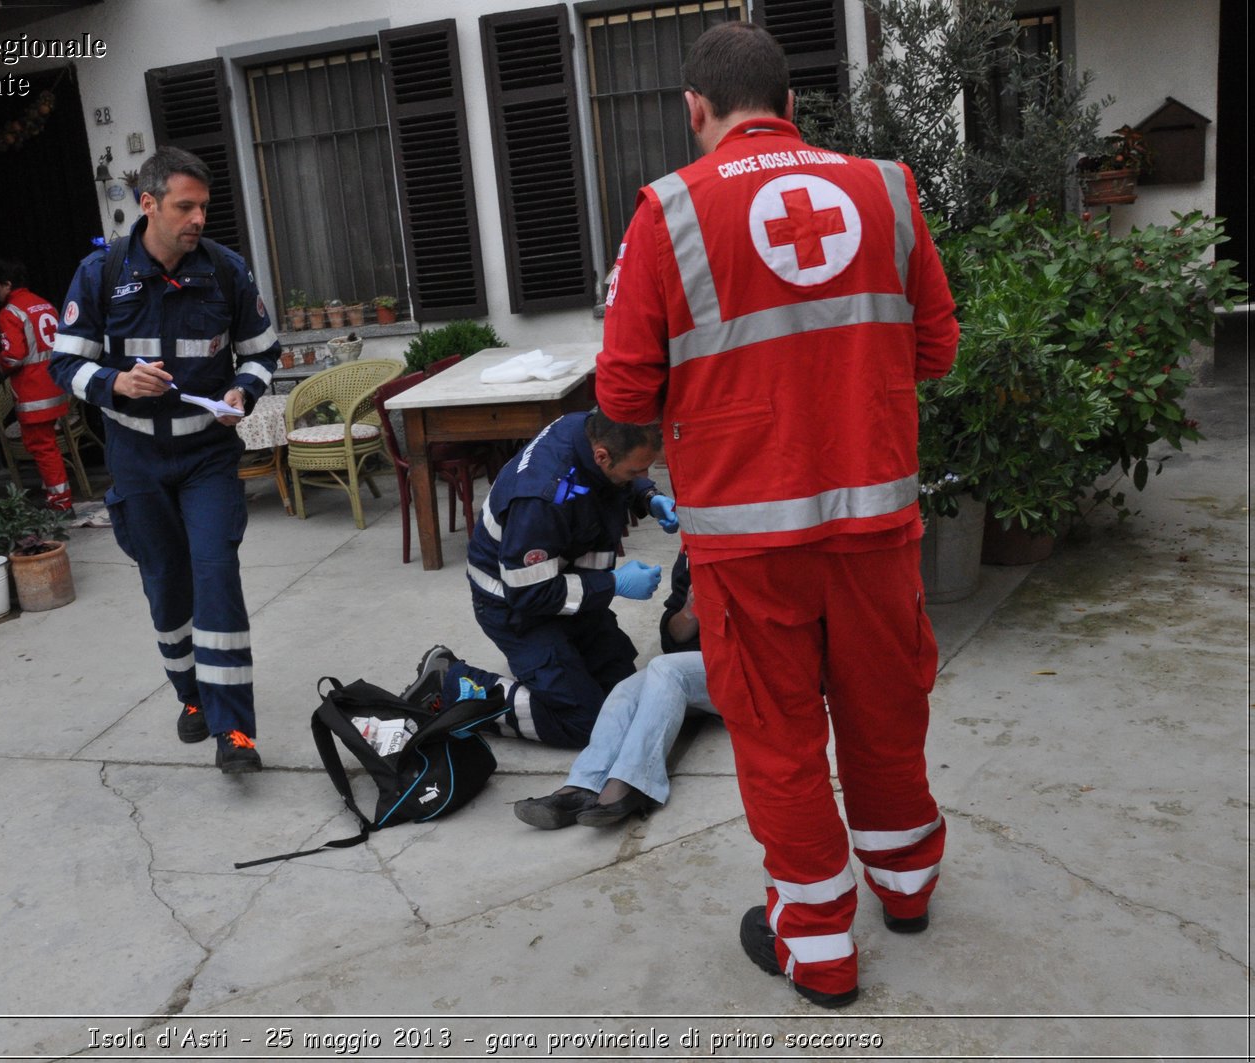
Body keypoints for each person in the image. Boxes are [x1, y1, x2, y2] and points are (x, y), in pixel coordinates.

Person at [596, 22, 959, 1008]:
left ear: (695, 110)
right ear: (794, 108)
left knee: (780, 739)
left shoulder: (666, 210)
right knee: (885, 711)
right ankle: (908, 886)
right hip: (874, 523)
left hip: (747, 539)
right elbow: (936, 349)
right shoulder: (885, 188)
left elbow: (625, 388)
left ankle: (820, 951)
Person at [49, 145, 281, 774]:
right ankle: (192, 698)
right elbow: (64, 363)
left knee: (216, 578)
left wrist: (244, 391)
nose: (198, 218)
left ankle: (236, 732)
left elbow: (263, 353)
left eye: (204, 206)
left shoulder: (227, 271)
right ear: (147, 205)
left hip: (207, 454)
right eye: (185, 206)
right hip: (136, 458)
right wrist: (115, 384)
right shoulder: (100, 274)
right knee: (166, 586)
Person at [401, 409, 679, 749]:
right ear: (601, 456)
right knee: (590, 725)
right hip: (514, 606)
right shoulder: (543, 496)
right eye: (636, 471)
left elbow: (603, 480)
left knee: (623, 698)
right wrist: (614, 584)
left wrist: (646, 496)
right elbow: (529, 594)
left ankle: (545, 671)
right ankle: (454, 685)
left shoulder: (588, 428)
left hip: (565, 585)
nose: (643, 474)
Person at [513, 548, 715, 828]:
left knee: (666, 669)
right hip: (704, 667)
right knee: (627, 690)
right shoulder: (694, 554)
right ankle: (585, 785)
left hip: (755, 669)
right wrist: (692, 612)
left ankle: (634, 782)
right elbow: (675, 639)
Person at [0, 259, 73, 513]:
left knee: (42, 447)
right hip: (56, 386)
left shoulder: (9, 313)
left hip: (33, 392)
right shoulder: (45, 304)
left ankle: (60, 503)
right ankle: (57, 496)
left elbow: (14, 356)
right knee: (50, 446)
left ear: (7, 284)